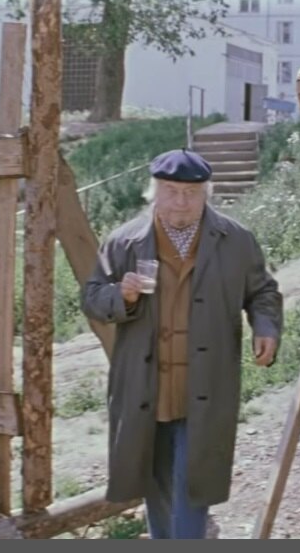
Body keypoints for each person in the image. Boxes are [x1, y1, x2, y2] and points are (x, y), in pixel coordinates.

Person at [80, 148, 284, 539]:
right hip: (146, 387)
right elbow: (91, 298)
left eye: (190, 193)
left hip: (205, 384)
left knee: (194, 481)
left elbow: (263, 291)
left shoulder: (236, 240)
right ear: (153, 191)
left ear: (206, 193)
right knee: (155, 482)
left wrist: (265, 328)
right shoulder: (124, 242)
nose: (180, 202)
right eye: (170, 191)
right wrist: (120, 295)